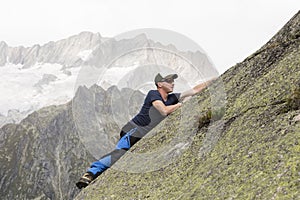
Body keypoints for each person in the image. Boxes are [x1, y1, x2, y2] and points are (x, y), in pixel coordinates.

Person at [76, 73, 215, 189]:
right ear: (160, 84)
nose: (173, 83)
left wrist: (216, 80)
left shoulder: (172, 97)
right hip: (134, 130)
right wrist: (181, 104)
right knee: (120, 152)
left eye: (173, 81)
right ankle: (90, 173)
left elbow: (195, 90)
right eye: (169, 81)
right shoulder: (153, 94)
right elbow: (164, 111)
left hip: (145, 134)